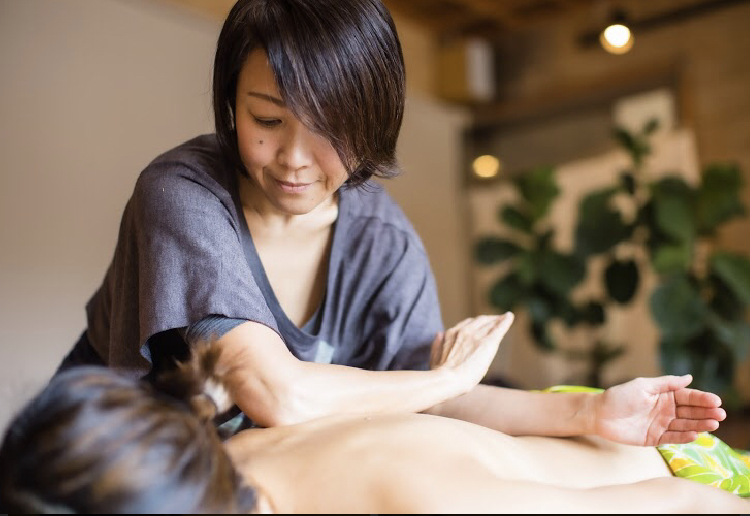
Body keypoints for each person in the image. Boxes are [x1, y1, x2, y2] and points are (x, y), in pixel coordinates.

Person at [53, 0, 724, 447]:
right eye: (266, 120)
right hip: (87, 465)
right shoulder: (182, 195)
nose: (292, 158)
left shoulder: (382, 239)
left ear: (373, 123)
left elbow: (422, 398)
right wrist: (451, 378)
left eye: (328, 132)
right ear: (230, 104)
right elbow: (273, 394)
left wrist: (589, 413)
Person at [3, 343, 747, 514]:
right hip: (555, 424)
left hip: (667, 470)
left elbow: (696, 509)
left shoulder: (416, 498)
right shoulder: (225, 457)